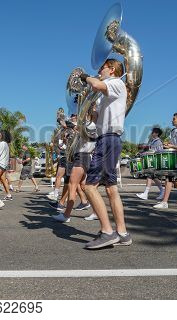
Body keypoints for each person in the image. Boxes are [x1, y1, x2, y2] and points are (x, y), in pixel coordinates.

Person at [79, 58, 131, 249]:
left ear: (112, 69)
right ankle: (123, 233)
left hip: (108, 139)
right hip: (107, 138)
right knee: (111, 188)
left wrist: (85, 77)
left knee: (89, 186)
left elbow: (95, 83)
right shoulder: (106, 92)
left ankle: (107, 232)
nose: (99, 71)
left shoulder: (116, 83)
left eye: (102, 68)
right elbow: (95, 121)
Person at [52, 120, 96, 223]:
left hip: (81, 157)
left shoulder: (89, 124)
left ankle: (66, 215)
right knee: (84, 187)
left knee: (72, 185)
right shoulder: (92, 125)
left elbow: (76, 127)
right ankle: (95, 211)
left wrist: (65, 124)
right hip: (84, 157)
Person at [154, 113, 177, 209]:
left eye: (174, 119)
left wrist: (171, 146)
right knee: (173, 180)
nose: (172, 120)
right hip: (174, 157)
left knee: (170, 179)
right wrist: (168, 145)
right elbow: (175, 145)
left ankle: (165, 202)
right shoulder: (174, 131)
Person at [136, 127, 165, 200]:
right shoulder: (153, 141)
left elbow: (159, 152)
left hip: (154, 162)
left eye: (153, 132)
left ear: (157, 133)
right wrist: (142, 152)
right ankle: (162, 191)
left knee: (149, 176)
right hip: (151, 161)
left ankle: (146, 194)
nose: (152, 133)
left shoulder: (158, 142)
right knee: (154, 177)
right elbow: (150, 150)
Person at [0, 130, 12, 202]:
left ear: (3, 135)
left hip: (0, 163)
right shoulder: (6, 144)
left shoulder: (2, 143)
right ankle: (9, 195)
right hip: (4, 164)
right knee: (3, 180)